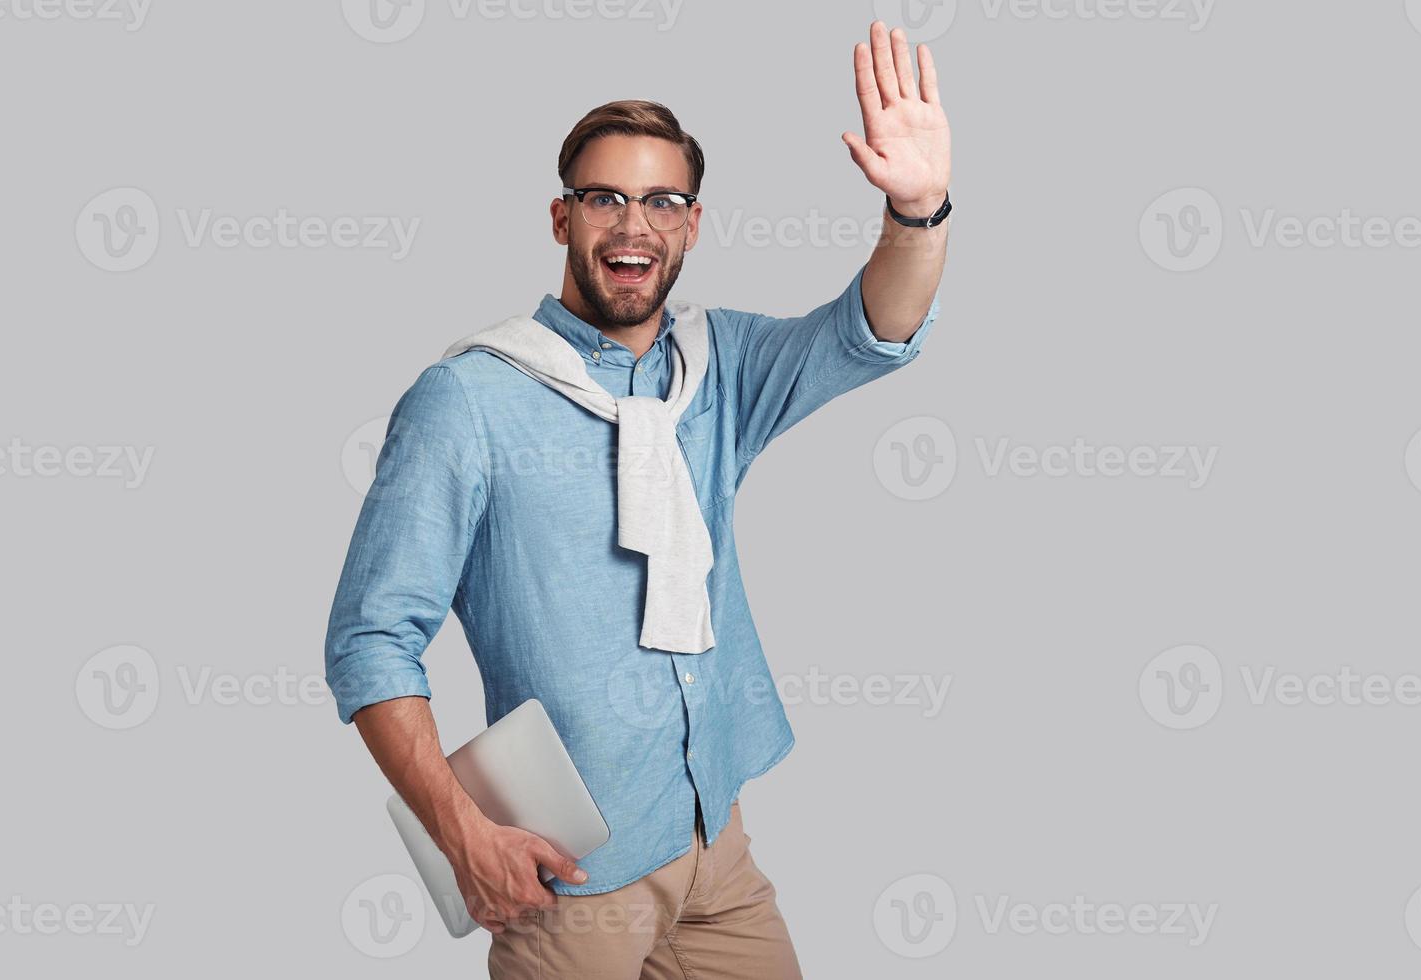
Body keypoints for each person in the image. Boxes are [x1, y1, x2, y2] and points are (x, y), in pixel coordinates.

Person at [323, 20, 951, 978]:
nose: (633, 224)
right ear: (560, 217)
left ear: (691, 224)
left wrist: (918, 208)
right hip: (570, 875)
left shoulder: (720, 366)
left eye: (662, 200)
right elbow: (370, 639)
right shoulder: (469, 399)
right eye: (604, 198)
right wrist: (462, 836)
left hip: (713, 843)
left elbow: (871, 331)